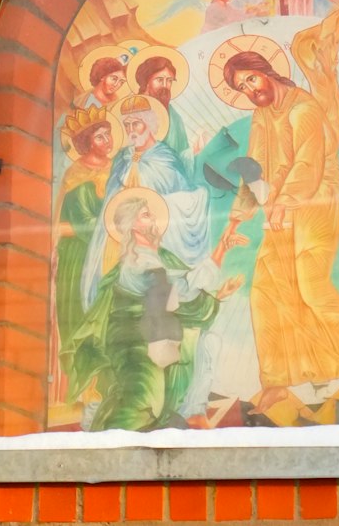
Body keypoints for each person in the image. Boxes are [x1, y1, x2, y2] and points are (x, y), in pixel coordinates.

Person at [222, 28, 339, 410]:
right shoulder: (261, 116)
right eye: (242, 87)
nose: (250, 90)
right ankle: (276, 381)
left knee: (312, 285)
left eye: (251, 79)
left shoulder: (305, 108)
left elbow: (309, 163)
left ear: (266, 72)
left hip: (317, 199)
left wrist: (285, 201)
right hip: (279, 208)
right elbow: (252, 166)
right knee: (265, 289)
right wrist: (239, 215)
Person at [64, 189, 244, 431]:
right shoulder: (136, 262)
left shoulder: (160, 257)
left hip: (156, 335)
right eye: (146, 215)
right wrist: (221, 249)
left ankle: (192, 412)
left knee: (208, 342)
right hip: (134, 344)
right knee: (145, 400)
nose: (154, 220)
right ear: (134, 226)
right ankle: (107, 431)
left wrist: (219, 292)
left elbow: (181, 295)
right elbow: (181, 290)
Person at [81, 90, 209, 298]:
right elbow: (111, 195)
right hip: (118, 236)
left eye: (136, 123)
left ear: (149, 124)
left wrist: (157, 204)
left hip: (151, 234)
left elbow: (182, 193)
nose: (131, 130)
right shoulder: (123, 157)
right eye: (127, 125)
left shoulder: (164, 157)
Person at [54, 112, 115, 359]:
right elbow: (83, 221)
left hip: (109, 249)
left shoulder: (116, 166)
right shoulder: (76, 174)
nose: (107, 140)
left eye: (107, 133)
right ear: (87, 143)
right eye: (99, 137)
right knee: (83, 312)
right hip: (80, 254)